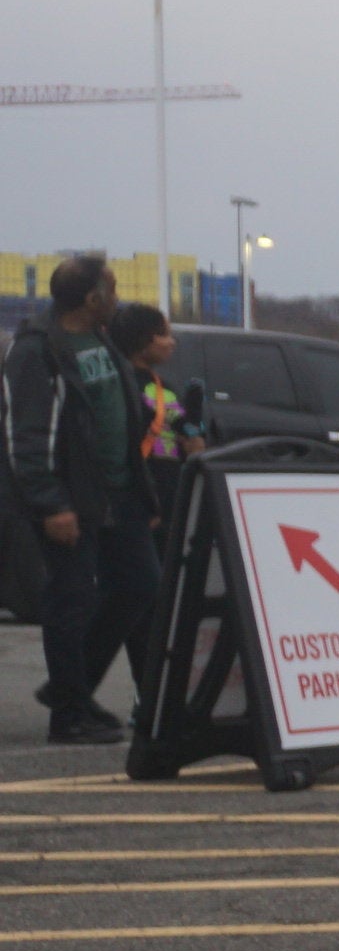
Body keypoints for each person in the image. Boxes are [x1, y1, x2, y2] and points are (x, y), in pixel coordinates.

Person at [5, 257, 160, 743]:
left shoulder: (102, 337)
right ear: (91, 299)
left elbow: (121, 412)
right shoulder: (38, 350)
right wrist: (51, 505)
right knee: (71, 600)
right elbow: (27, 437)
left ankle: (69, 690)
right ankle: (69, 715)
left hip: (120, 492)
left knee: (140, 586)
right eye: (111, 291)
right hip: (72, 498)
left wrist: (143, 491)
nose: (117, 299)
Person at [107, 300, 198, 539]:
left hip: (142, 494)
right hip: (150, 494)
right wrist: (194, 434)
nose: (171, 342)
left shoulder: (116, 383)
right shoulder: (156, 390)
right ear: (144, 340)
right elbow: (191, 435)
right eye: (164, 335)